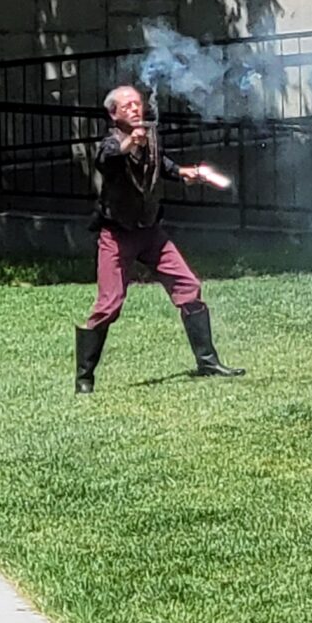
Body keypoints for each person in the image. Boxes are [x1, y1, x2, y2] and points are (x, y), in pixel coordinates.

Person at [74, 84, 238, 393]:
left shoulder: (149, 137)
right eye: (128, 106)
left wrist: (185, 173)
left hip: (150, 232)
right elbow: (109, 158)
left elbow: (161, 165)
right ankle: (84, 378)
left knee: (188, 286)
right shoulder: (109, 144)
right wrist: (129, 144)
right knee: (109, 305)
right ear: (113, 114)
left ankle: (208, 361)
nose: (136, 109)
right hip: (117, 235)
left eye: (138, 104)